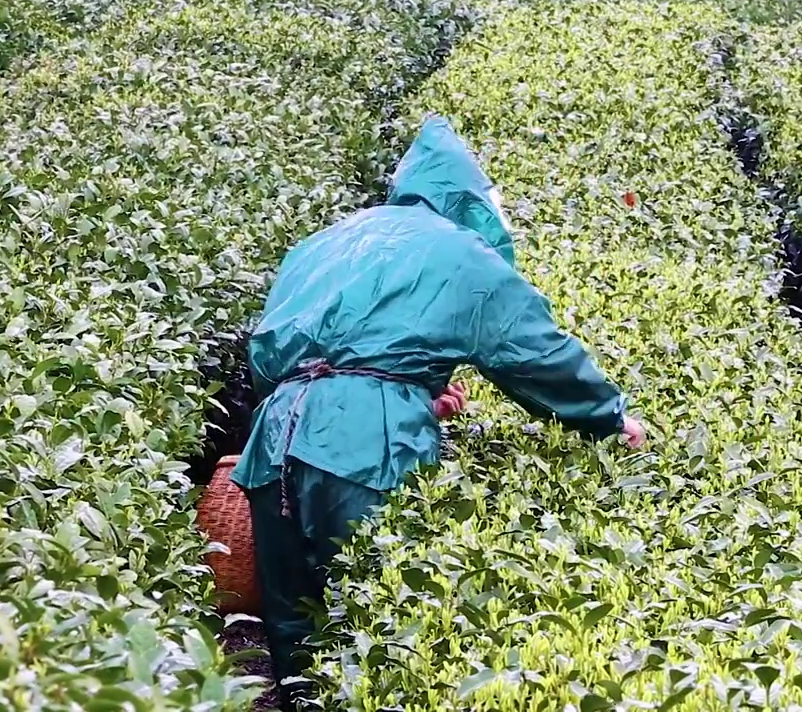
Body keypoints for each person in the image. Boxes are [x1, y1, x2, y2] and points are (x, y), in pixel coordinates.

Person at [231, 116, 645, 709]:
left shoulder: (330, 241)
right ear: (468, 201)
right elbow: (535, 352)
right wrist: (608, 418)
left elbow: (289, 354)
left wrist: (408, 389)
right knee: (377, 622)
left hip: (274, 437)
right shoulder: (458, 250)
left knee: (295, 623)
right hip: (365, 444)